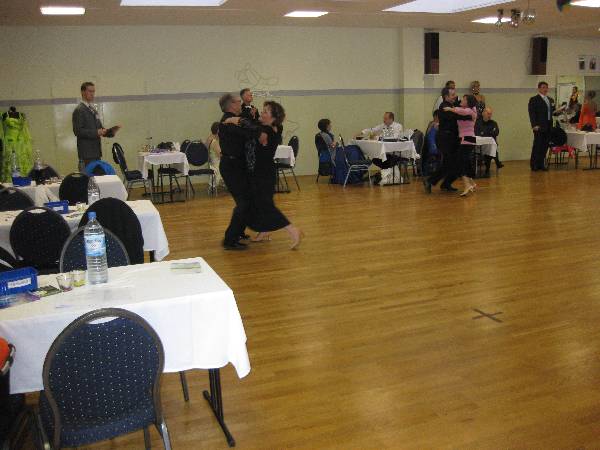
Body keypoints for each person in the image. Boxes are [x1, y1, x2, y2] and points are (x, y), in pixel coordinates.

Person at [239, 101, 303, 249]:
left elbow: (250, 128)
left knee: (267, 205)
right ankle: (264, 231)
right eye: (262, 110)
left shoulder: (266, 132)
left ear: (273, 118)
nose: (262, 113)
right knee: (261, 204)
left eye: (265, 112)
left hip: (263, 174)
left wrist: (237, 119)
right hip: (262, 172)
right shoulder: (273, 128)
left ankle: (293, 231)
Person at [218, 93, 264, 251]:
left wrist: (251, 118)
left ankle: (238, 232)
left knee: (247, 200)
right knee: (244, 202)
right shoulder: (228, 122)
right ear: (231, 105)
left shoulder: (235, 119)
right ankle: (229, 240)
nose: (241, 104)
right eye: (239, 102)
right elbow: (250, 133)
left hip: (238, 165)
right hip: (232, 167)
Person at [424, 87, 468, 193]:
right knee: (449, 163)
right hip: (445, 139)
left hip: (453, 139)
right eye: (452, 95)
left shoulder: (452, 106)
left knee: (457, 163)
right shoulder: (444, 107)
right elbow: (456, 116)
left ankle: (445, 183)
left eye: (455, 94)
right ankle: (430, 181)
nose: (455, 96)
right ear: (446, 96)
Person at [72, 82, 120, 172]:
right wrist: (96, 132)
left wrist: (110, 132)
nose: (92, 94)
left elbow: (100, 129)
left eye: (93, 91)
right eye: (90, 91)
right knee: (88, 178)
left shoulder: (93, 110)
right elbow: (77, 131)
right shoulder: (79, 110)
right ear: (83, 92)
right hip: (86, 154)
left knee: (97, 178)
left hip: (96, 152)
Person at [445, 95, 478, 196]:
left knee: (461, 163)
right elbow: (460, 111)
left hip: (467, 139)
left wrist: (450, 109)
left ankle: (467, 185)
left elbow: (462, 111)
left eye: (464, 99)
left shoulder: (469, 111)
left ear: (468, 102)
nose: (462, 100)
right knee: (465, 162)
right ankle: (472, 183)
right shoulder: (469, 110)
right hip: (468, 139)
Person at [528, 81, 555, 171]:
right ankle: (534, 165)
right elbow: (532, 113)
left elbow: (553, 112)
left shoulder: (550, 100)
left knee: (545, 146)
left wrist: (559, 110)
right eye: (543, 87)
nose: (545, 89)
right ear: (539, 89)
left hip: (548, 126)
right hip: (539, 126)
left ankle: (541, 164)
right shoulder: (534, 99)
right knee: (537, 145)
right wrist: (534, 125)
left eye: (546, 87)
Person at [1, 106, 33, 182]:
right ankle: (10, 181)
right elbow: (1, 131)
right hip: (9, 143)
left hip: (20, 142)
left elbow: (25, 131)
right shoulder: (4, 115)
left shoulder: (22, 115)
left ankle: (23, 180)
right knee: (10, 161)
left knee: (21, 160)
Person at [475, 107, 504, 177]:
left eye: (490, 114)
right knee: (490, 150)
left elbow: (496, 132)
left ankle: (487, 170)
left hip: (490, 144)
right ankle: (497, 161)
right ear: (483, 113)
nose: (489, 115)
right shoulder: (477, 123)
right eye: (488, 113)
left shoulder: (493, 123)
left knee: (490, 149)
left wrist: (484, 133)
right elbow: (477, 133)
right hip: (479, 145)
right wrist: (489, 132)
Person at [205, 122, 224, 190]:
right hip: (217, 164)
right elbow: (220, 156)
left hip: (211, 163)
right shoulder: (215, 141)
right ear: (218, 131)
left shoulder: (209, 138)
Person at [422, 110, 439, 177]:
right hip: (432, 147)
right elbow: (427, 135)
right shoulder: (432, 124)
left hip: (431, 146)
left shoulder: (435, 124)